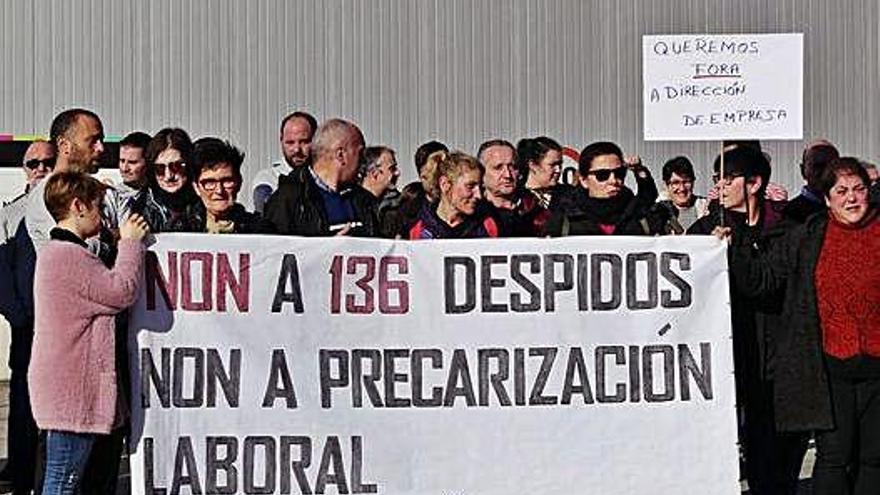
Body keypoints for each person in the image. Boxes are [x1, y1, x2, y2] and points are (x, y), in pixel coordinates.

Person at [725, 158, 879, 495]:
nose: (851, 198)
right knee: (833, 457)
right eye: (841, 191)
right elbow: (761, 280)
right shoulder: (806, 236)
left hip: (877, 369)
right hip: (827, 368)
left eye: (858, 190)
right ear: (827, 199)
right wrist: (734, 241)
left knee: (874, 459)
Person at [688, 146, 808, 495]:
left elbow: (764, 284)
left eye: (728, 179)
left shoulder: (786, 232)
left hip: (774, 360)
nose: (720, 187)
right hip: (724, 357)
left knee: (772, 453)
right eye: (716, 180)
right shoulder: (705, 229)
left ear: (754, 183)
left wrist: (736, 248)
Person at [28, 171, 149, 494]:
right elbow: (121, 291)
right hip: (73, 395)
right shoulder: (68, 257)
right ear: (78, 206)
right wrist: (130, 243)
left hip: (65, 390)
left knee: (65, 479)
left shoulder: (60, 253)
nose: (103, 213)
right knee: (62, 483)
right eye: (98, 206)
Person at [262, 118, 378, 237]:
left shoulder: (366, 201)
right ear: (341, 155)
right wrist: (328, 249)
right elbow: (274, 251)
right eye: (360, 153)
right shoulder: (288, 201)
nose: (364, 161)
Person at [546, 141, 664, 236]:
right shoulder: (563, 220)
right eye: (602, 175)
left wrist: (639, 170)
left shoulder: (638, 215)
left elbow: (648, 197)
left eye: (619, 173)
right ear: (583, 180)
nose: (613, 180)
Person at [171, 137, 260, 233]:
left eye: (227, 181)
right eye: (209, 183)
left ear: (239, 183)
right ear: (196, 187)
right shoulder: (179, 229)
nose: (219, 190)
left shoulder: (259, 229)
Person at [408, 151, 500, 239]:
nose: (478, 195)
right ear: (445, 184)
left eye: (481, 187)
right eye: (470, 186)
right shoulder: (418, 230)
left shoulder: (488, 226)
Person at [126, 128, 200, 232]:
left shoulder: (205, 201)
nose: (168, 176)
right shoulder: (141, 206)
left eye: (176, 166)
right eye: (159, 168)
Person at [252, 111, 318, 214]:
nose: (297, 149)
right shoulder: (268, 178)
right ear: (281, 141)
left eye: (304, 142)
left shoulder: (327, 176)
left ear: (316, 140)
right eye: (290, 143)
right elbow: (264, 210)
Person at [478, 139, 548, 236]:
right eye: (498, 167)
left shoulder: (536, 213)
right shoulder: (472, 215)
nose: (507, 175)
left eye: (513, 167)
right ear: (481, 173)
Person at [783, 140, 840, 223]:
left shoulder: (848, 205)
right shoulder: (790, 212)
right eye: (817, 166)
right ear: (803, 170)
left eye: (830, 166)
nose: (825, 172)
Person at [654, 156, 709, 233]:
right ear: (666, 185)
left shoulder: (707, 209)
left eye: (686, 182)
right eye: (675, 183)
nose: (682, 188)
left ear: (693, 182)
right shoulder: (657, 212)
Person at [518, 136, 568, 209]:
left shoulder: (569, 195)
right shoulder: (515, 196)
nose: (558, 170)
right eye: (552, 165)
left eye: (560, 164)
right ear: (532, 165)